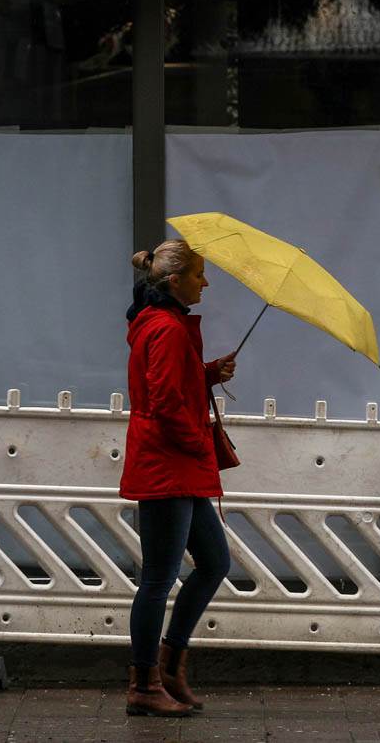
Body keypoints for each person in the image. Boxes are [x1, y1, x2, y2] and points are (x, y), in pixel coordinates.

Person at [119, 239, 237, 717]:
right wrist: (197, 444)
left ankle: (169, 669)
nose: (205, 282)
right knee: (158, 578)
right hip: (168, 466)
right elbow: (165, 403)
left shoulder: (165, 325)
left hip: (175, 466)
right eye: (198, 275)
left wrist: (207, 373)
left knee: (214, 563)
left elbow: (170, 384)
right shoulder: (165, 328)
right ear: (174, 281)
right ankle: (144, 684)